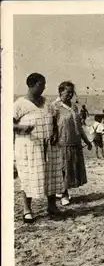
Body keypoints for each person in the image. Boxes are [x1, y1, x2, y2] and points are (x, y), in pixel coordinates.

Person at [13, 73, 64, 223]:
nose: (44, 87)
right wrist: (22, 128)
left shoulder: (47, 103)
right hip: (29, 146)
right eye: (42, 84)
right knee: (28, 176)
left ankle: (52, 206)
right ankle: (27, 209)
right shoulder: (19, 104)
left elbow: (54, 120)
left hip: (49, 145)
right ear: (32, 85)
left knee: (52, 174)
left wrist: (54, 133)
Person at [52, 81, 93, 206]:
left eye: (72, 92)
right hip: (62, 142)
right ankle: (63, 194)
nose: (70, 94)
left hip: (75, 142)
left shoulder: (74, 107)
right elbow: (51, 126)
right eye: (67, 92)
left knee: (70, 169)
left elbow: (79, 127)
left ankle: (64, 191)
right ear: (60, 91)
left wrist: (86, 141)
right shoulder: (54, 106)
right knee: (63, 169)